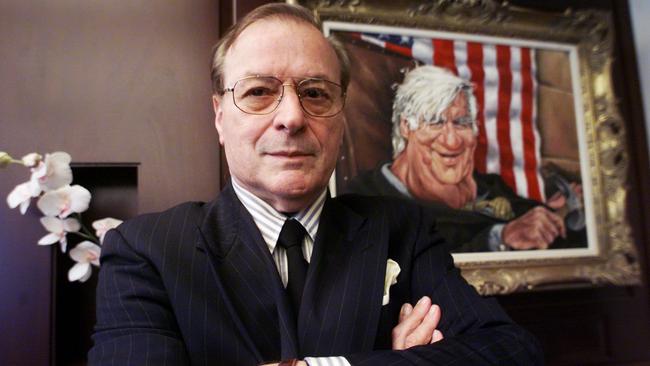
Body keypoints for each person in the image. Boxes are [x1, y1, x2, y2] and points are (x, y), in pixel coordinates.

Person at [88, 4, 542, 365]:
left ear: (341, 119)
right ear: (219, 117)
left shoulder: (404, 229)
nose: (291, 117)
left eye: (316, 93)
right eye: (259, 92)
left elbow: (511, 351)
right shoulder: (145, 249)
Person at [348, 65, 581, 252]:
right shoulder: (367, 200)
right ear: (406, 127)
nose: (452, 141)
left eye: (461, 123)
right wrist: (501, 237)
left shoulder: (487, 186)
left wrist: (554, 212)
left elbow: (527, 221)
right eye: (436, 122)